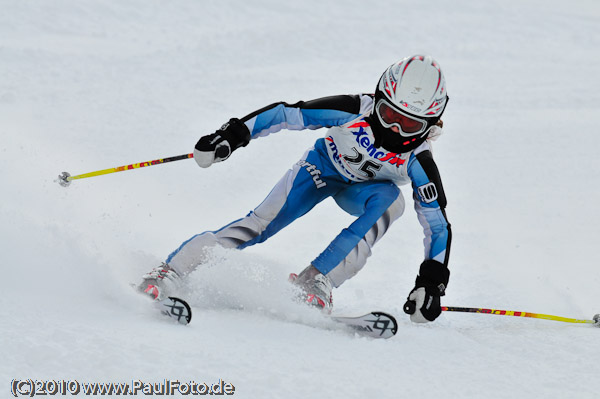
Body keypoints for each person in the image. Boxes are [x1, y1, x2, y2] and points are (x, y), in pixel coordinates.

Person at [138, 55, 452, 323]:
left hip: (367, 191)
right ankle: (172, 271)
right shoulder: (356, 109)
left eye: (410, 125)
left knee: (391, 201)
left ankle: (316, 281)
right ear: (378, 99)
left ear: (431, 125)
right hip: (321, 171)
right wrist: (231, 136)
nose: (394, 129)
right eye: (389, 115)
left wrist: (430, 282)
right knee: (259, 225)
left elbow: (437, 225)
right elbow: (288, 114)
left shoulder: (420, 161)